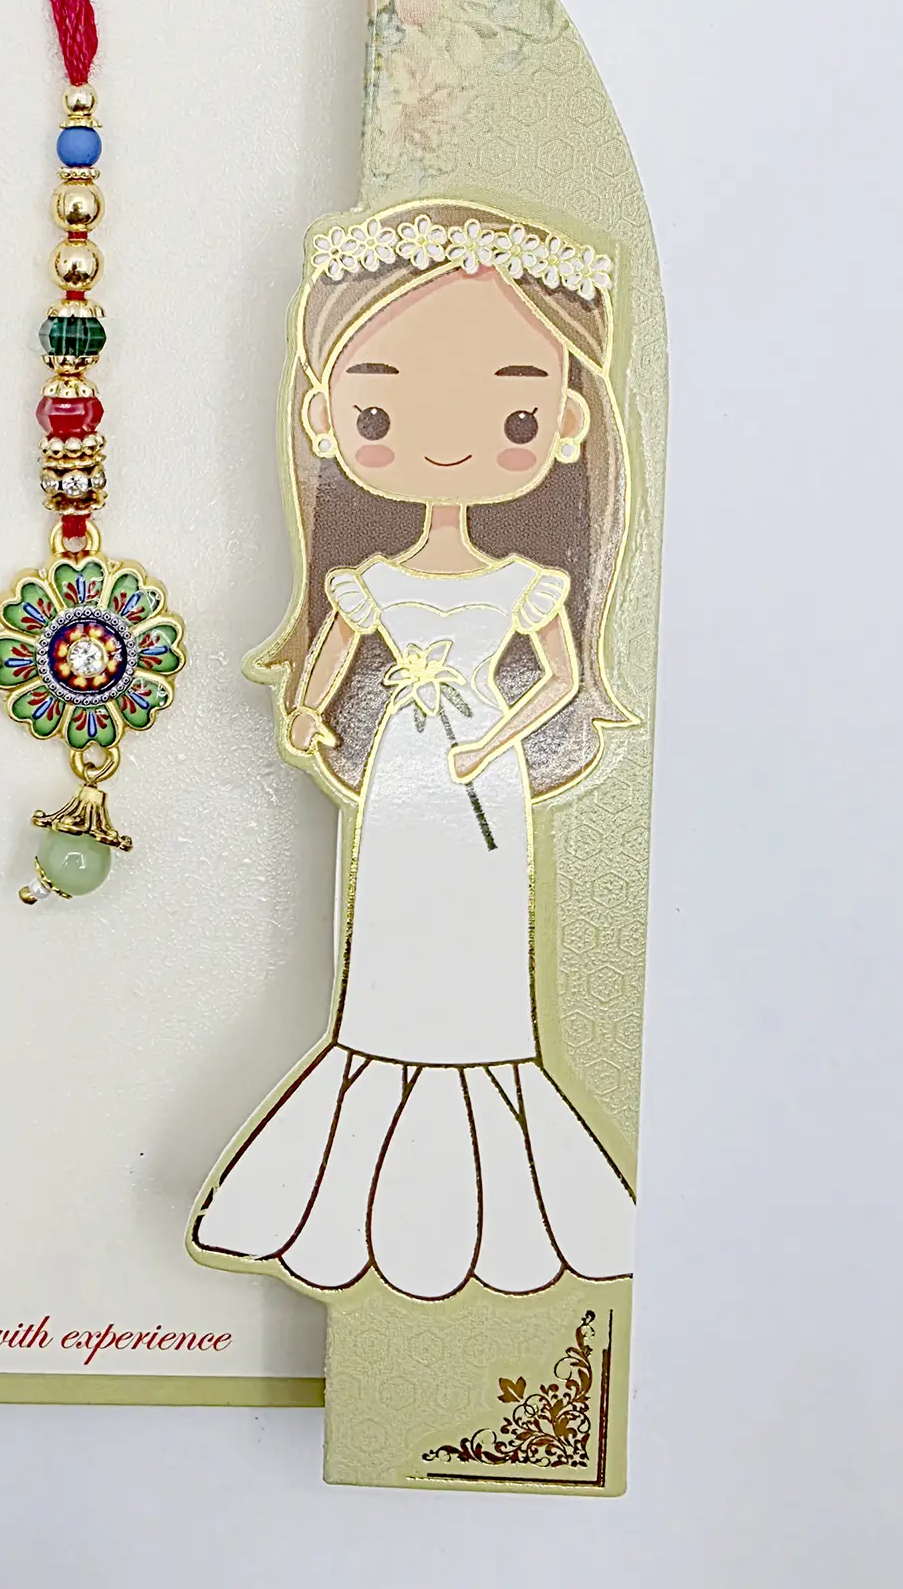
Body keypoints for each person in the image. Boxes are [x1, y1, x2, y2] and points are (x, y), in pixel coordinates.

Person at [191, 204, 636, 1301]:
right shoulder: (372, 581)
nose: (446, 443)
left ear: (567, 422)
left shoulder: (527, 585)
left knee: (482, 950)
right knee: (386, 947)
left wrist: (496, 737)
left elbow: (563, 681)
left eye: (512, 413)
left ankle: (492, 1120)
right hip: (399, 772)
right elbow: (326, 664)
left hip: (480, 775)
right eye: (382, 408)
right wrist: (306, 716)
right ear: (324, 416)